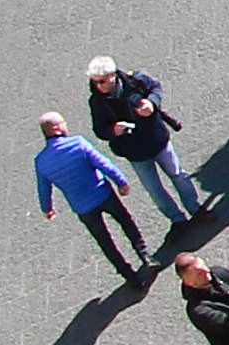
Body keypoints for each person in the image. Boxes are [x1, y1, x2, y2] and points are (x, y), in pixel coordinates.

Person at [86, 56, 207, 227]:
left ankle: (195, 208)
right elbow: (99, 129)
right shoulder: (96, 101)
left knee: (178, 174)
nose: (99, 86)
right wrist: (113, 130)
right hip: (134, 151)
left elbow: (155, 87)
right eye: (96, 82)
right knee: (154, 190)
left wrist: (151, 103)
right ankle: (177, 220)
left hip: (156, 139)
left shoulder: (134, 80)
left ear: (113, 75)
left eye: (102, 81)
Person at [34, 112, 151, 281]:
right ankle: (145, 254)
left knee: (104, 241)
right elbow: (103, 164)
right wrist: (121, 182)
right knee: (125, 221)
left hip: (82, 207)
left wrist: (47, 208)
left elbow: (43, 188)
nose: (66, 125)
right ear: (56, 128)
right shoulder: (78, 143)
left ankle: (129, 276)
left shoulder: (41, 161)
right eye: (63, 122)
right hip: (103, 193)